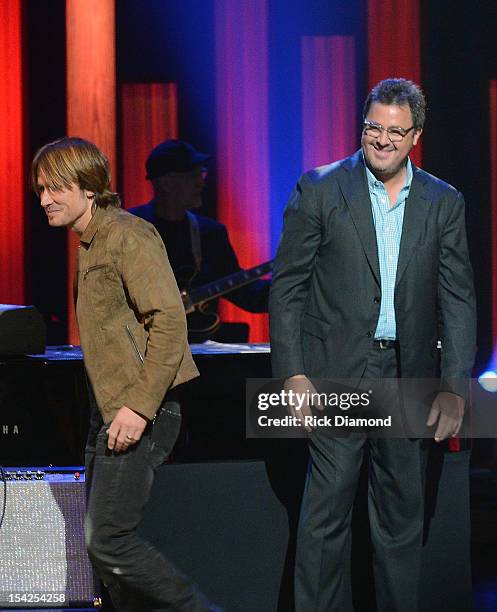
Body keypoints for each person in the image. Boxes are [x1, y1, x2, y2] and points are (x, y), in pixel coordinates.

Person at [269, 78, 476, 611]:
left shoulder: (442, 201)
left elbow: (457, 300)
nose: (382, 140)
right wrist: (292, 374)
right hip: (336, 371)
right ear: (362, 127)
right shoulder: (320, 188)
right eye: (373, 128)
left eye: (394, 132)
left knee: (400, 518)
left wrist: (454, 388)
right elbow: (288, 288)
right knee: (325, 516)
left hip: (406, 374)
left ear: (416, 136)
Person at [31, 137, 217, 612]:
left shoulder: (127, 235)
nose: (45, 199)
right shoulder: (90, 242)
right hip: (109, 409)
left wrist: (138, 406)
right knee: (101, 554)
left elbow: (170, 321)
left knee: (108, 540)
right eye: (40, 190)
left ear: (89, 188)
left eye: (54, 188)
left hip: (143, 409)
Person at [129, 140, 269, 341]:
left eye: (201, 173)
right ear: (166, 183)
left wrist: (292, 286)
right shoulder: (128, 228)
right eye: (193, 176)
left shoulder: (210, 233)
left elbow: (244, 293)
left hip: (195, 351)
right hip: (140, 350)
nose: (202, 183)